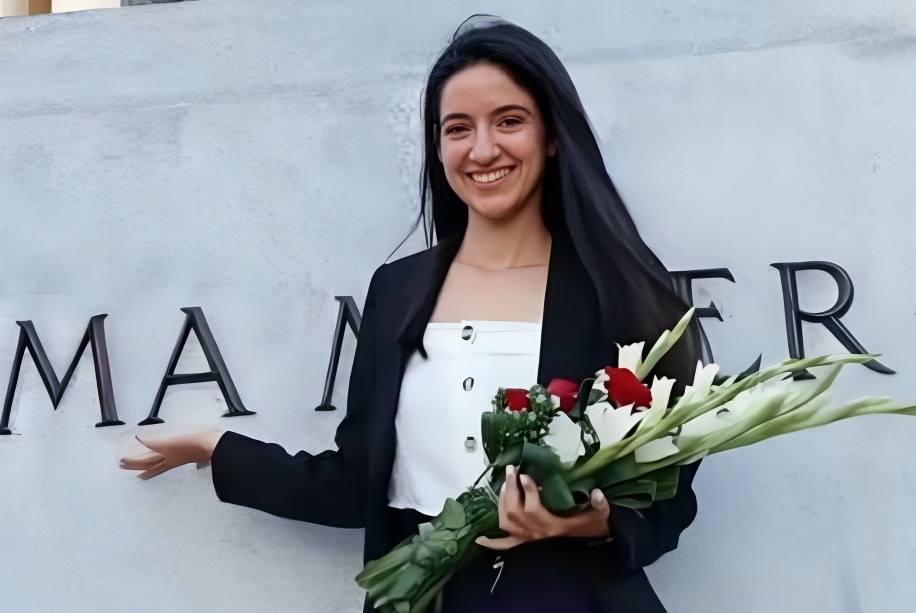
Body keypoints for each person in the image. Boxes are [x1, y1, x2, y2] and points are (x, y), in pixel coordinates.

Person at [121, 14, 707, 612]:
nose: (482, 149)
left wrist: (588, 523)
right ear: (438, 145)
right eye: (458, 128)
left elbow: (671, 493)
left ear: (552, 134)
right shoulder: (398, 290)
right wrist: (218, 448)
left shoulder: (616, 292)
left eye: (509, 121)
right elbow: (357, 483)